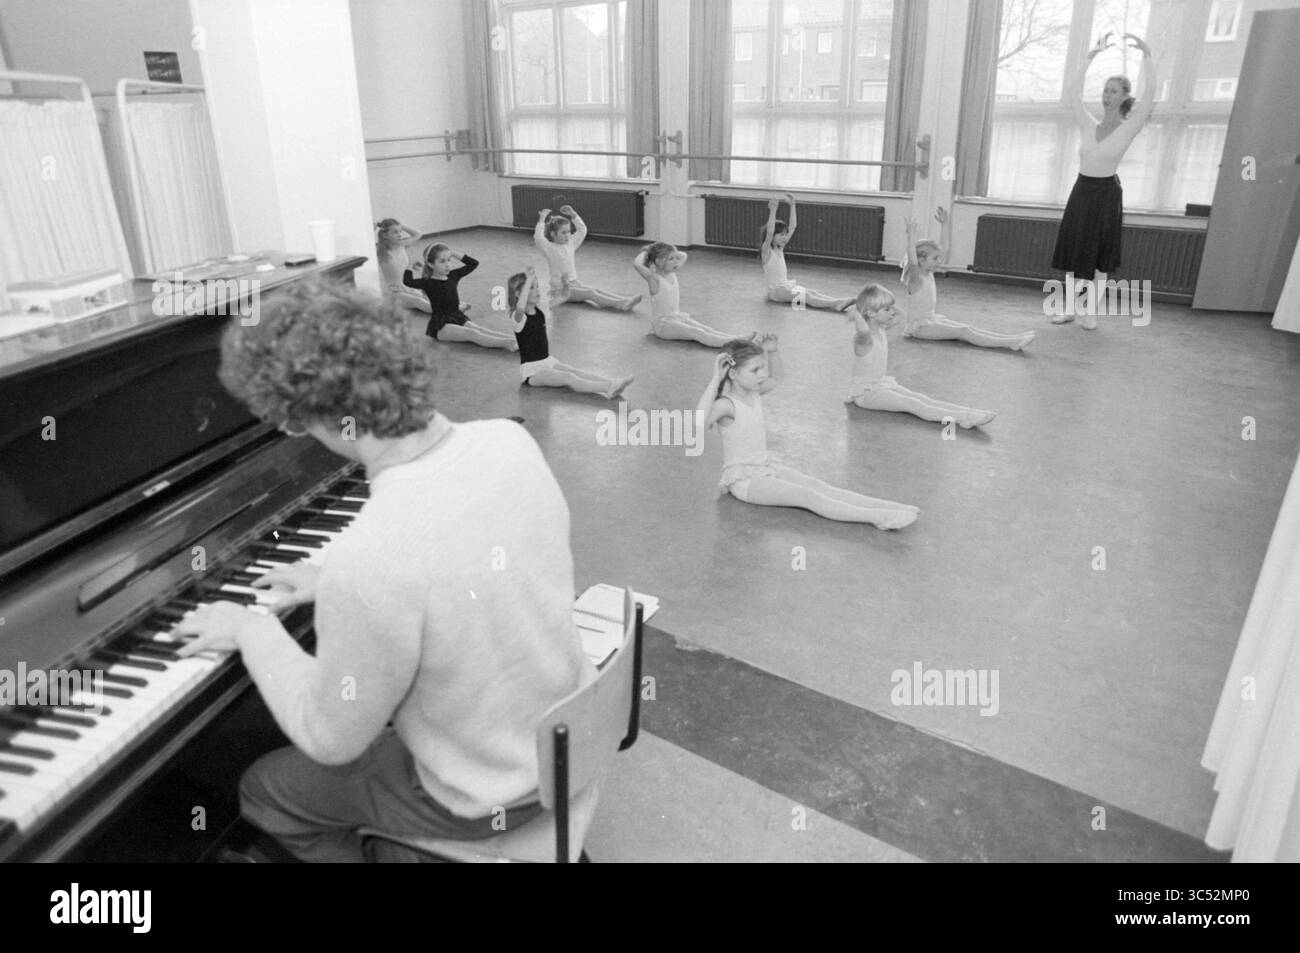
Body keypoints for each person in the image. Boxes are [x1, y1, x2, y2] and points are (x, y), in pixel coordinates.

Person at [174, 279, 592, 862]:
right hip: (566, 738)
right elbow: (464, 566)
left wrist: (251, 629)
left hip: (485, 792)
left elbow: (331, 741)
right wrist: (334, 586)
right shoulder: (507, 441)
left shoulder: (373, 554)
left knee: (266, 787)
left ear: (293, 418)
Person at [694, 334, 918, 528]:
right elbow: (698, 423)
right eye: (755, 369)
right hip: (744, 481)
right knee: (807, 496)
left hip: (764, 465)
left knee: (817, 485)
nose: (762, 373)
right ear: (732, 374)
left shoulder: (753, 392)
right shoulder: (727, 404)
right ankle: (879, 517)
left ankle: (891, 507)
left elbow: (777, 378)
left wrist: (773, 352)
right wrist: (715, 378)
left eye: (761, 367)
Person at [1051, 32, 1157, 330]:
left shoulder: (1129, 127)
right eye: (1105, 90)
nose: (1107, 95)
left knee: (1099, 256)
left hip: (1106, 195)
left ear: (1124, 96)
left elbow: (1150, 95)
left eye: (1113, 91)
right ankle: (1070, 309)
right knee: (1074, 252)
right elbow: (1072, 92)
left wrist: (1147, 55)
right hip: (1081, 191)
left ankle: (1091, 312)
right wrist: (1090, 55)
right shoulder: (1088, 123)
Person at [847, 283, 996, 429]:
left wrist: (884, 302)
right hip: (866, 394)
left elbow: (901, 315)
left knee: (920, 398)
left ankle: (967, 411)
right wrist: (857, 314)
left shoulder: (881, 328)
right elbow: (864, 331)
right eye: (887, 309)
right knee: (913, 404)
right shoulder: (864, 340)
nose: (892, 312)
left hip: (880, 384)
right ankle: (963, 418)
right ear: (871, 313)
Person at [901, 209, 1034, 351]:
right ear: (921, 260)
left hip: (931, 319)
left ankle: (1012, 339)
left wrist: (945, 224)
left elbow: (944, 249)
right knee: (964, 331)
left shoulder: (928, 272)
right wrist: (911, 238)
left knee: (968, 328)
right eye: (934, 259)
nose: (939, 261)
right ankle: (1010, 343)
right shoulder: (916, 279)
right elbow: (912, 258)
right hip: (919, 328)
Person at [509, 267, 634, 399]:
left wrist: (566, 285)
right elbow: (521, 307)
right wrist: (528, 280)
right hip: (532, 372)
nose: (537, 290)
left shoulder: (541, 310)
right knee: (568, 377)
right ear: (518, 294)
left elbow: (564, 296)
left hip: (547, 362)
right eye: (531, 288)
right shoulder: (517, 318)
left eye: (536, 286)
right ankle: (606, 388)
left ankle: (612, 382)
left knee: (573, 371)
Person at [403, 243, 516, 349]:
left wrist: (453, 253)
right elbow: (407, 281)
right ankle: (509, 343)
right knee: (472, 333)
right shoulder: (427, 282)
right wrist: (410, 267)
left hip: (457, 316)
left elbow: (473, 263)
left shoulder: (453, 275)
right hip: (441, 326)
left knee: (479, 328)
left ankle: (516, 340)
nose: (447, 264)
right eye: (442, 261)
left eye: (449, 260)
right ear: (431, 264)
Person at [534, 206, 643, 311]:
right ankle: (620, 304)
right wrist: (542, 219)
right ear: (553, 234)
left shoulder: (570, 243)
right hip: (560, 290)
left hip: (574, 283)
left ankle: (624, 300)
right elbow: (538, 238)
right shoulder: (550, 248)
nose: (567, 235)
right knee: (590, 293)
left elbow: (582, 230)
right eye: (563, 232)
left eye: (568, 231)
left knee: (595, 289)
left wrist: (574, 215)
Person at [633, 242, 740, 347]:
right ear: (659, 262)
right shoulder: (655, 279)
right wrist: (647, 252)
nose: (676, 262)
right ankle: (731, 343)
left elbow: (683, 255)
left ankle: (735, 339)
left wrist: (668, 254)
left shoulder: (671, 273)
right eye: (671, 259)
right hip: (663, 325)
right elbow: (637, 264)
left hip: (676, 318)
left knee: (704, 328)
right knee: (695, 332)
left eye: (675, 258)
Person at [760, 194, 855, 312]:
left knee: (812, 292)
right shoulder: (767, 252)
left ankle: (839, 301)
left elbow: (793, 227)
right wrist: (773, 211)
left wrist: (793, 205)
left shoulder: (780, 248)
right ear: (773, 236)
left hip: (786, 286)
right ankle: (836, 303)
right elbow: (769, 232)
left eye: (785, 234)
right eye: (781, 235)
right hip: (775, 292)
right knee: (806, 297)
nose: (785, 237)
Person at [374, 218, 430, 316]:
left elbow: (418, 234)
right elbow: (363, 245)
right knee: (418, 301)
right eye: (395, 232)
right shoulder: (381, 252)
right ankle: (450, 310)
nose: (400, 234)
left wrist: (400, 226)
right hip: (392, 292)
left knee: (432, 288)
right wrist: (373, 229)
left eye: (400, 231)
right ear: (385, 235)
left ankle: (451, 305)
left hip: (405, 287)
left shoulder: (401, 245)